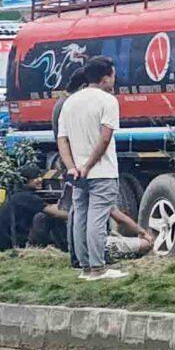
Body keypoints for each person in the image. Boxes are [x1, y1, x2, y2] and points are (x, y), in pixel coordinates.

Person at [54, 58, 125, 281]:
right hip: (102, 172)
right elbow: (105, 140)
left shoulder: (70, 102)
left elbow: (62, 139)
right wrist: (88, 166)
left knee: (81, 217)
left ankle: (84, 267)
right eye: (113, 75)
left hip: (77, 174)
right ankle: (98, 267)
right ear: (106, 78)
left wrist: (72, 168)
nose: (114, 80)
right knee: (97, 219)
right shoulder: (108, 101)